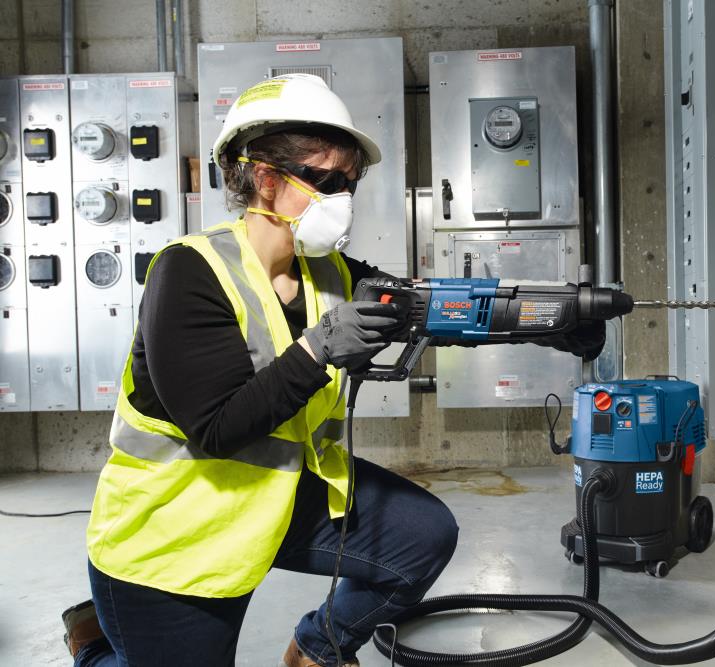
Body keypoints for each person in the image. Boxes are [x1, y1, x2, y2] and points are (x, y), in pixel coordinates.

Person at [64, 73, 604, 667]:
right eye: (325, 181)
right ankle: (93, 646)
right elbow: (217, 429)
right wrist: (318, 348)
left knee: (423, 537)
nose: (342, 198)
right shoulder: (190, 273)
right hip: (175, 533)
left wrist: (551, 320)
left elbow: (434, 308)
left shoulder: (331, 273)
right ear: (266, 179)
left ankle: (316, 650)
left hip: (278, 497)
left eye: (350, 183)